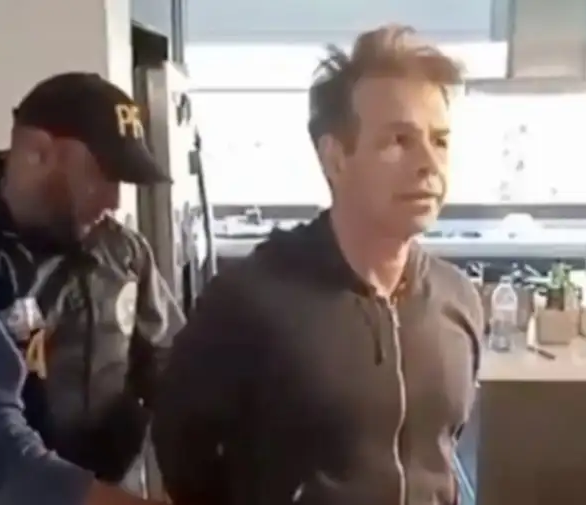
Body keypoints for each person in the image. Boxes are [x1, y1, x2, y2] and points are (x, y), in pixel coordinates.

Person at [152, 25, 484, 505]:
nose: (429, 163)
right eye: (399, 140)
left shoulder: (457, 299)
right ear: (335, 158)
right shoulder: (248, 302)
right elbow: (182, 453)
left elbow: (445, 451)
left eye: (440, 140)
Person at [0, 72, 175, 505]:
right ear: (38, 152)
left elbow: (172, 370)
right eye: (100, 175)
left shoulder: (123, 251)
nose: (114, 201)